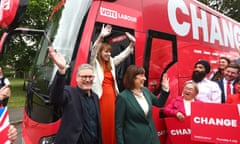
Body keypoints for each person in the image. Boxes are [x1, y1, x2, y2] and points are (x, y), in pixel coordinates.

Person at [90, 24, 135, 144]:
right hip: (101, 97)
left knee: (112, 123)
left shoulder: (110, 62)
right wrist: (101, 37)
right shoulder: (94, 63)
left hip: (112, 97)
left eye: (110, 52)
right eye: (106, 52)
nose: (109, 54)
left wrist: (131, 44)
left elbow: (123, 56)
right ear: (100, 52)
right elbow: (94, 50)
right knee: (103, 123)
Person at [48, 47, 102, 144]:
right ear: (77, 79)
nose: (87, 79)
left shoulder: (95, 97)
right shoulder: (69, 93)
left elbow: (96, 125)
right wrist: (61, 70)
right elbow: (55, 98)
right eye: (84, 77)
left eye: (90, 77)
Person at [115, 65, 170, 144]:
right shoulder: (123, 97)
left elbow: (159, 103)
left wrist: (165, 89)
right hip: (135, 140)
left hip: (152, 139)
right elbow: (119, 126)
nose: (145, 78)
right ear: (132, 77)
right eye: (141, 76)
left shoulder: (145, 91)